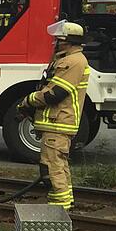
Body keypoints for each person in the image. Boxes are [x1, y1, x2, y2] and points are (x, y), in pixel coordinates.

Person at [18, 20, 90, 210]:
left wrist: (29, 100)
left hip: (59, 122)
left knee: (51, 167)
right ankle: (66, 201)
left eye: (58, 39)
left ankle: (58, 209)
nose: (55, 43)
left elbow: (55, 93)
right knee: (59, 166)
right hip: (56, 122)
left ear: (68, 41)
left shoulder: (73, 62)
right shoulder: (68, 59)